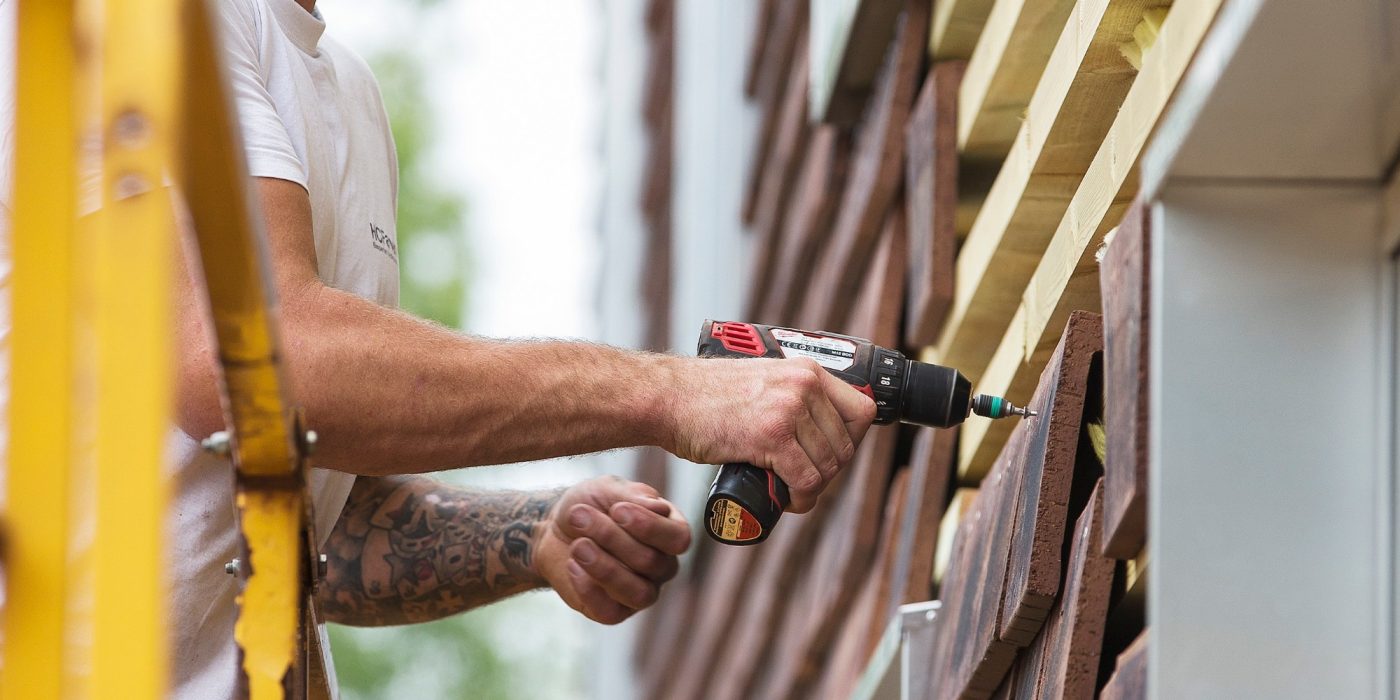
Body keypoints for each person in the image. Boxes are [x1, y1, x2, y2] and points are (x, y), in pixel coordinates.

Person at [1, 0, 874, 696]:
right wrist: (669, 395)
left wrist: (532, 534)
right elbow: (248, 365)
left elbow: (292, 514)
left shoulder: (338, 86)